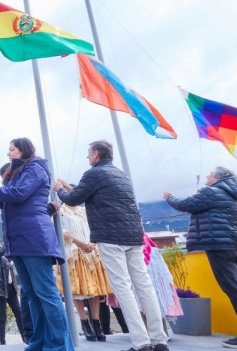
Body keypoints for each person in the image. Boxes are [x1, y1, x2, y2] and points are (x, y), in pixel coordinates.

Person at [54, 140, 168, 351]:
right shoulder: (120, 174)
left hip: (111, 237)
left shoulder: (93, 174)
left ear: (96, 154)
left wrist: (60, 190)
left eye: (89, 153)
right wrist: (70, 186)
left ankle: (141, 342)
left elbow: (73, 199)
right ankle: (159, 339)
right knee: (144, 285)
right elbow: (88, 193)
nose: (87, 157)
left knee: (123, 287)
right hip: (133, 236)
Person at [0, 138, 72, 351]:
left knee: (46, 293)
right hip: (19, 240)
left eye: (12, 149)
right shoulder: (18, 172)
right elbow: (7, 201)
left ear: (23, 150)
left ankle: (60, 345)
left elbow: (18, 195)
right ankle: (39, 342)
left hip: (34, 236)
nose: (8, 153)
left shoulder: (35, 169)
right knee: (32, 294)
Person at [164, 167, 237, 350]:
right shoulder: (233, 194)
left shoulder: (211, 192)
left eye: (211, 173)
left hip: (220, 245)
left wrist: (169, 197)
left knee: (235, 290)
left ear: (218, 178)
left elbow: (186, 204)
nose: (208, 175)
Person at [56, 203, 111, 342]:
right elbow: (60, 230)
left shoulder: (85, 210)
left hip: (91, 251)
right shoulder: (61, 211)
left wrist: (92, 243)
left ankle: (96, 323)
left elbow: (96, 226)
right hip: (72, 251)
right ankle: (84, 322)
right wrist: (78, 242)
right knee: (76, 288)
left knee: (94, 289)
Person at [0, 236, 25, 345]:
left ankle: (25, 338)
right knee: (2, 316)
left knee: (19, 313)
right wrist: (8, 238)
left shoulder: (4, 253)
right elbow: (1, 251)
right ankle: (2, 343)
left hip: (10, 288)